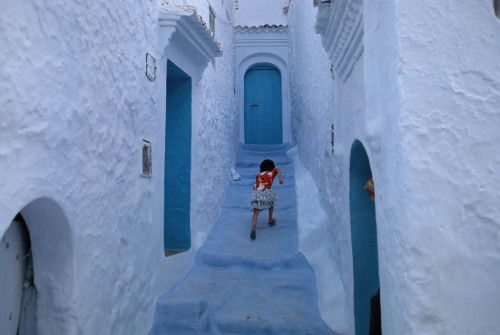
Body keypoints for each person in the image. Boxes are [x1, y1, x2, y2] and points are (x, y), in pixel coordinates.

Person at [249, 159, 283, 240]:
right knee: (271, 203)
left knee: (256, 211)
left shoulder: (258, 175)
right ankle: (270, 219)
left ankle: (254, 227)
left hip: (257, 193)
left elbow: (256, 185)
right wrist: (280, 178)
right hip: (266, 191)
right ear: (272, 167)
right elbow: (278, 169)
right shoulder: (272, 173)